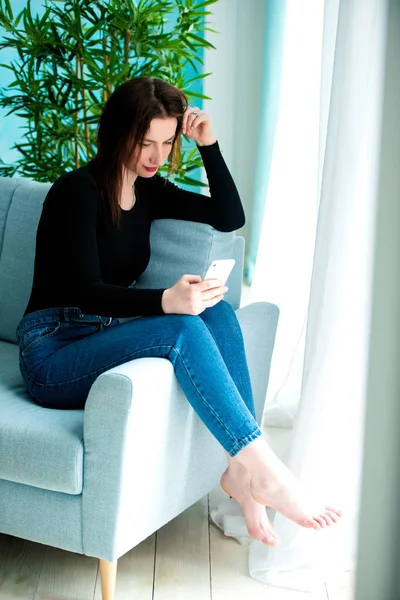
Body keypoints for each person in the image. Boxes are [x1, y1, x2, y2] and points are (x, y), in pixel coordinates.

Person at [16, 77, 341, 547]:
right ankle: (266, 470)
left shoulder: (149, 190)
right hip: (50, 351)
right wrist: (165, 301)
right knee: (181, 329)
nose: (155, 155)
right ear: (117, 134)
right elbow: (86, 291)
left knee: (219, 313)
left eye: (166, 143)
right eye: (144, 142)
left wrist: (207, 145)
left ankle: (240, 472)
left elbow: (229, 216)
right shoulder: (76, 192)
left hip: (100, 335)